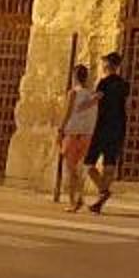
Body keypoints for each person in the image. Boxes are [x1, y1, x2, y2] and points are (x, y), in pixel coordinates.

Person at [86, 49, 130, 212]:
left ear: (109, 65)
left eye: (104, 62)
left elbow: (96, 98)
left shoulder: (103, 83)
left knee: (89, 164)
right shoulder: (124, 85)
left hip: (103, 126)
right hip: (118, 127)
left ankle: (103, 191)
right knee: (109, 164)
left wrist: (81, 105)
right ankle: (100, 200)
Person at [56, 65, 99, 210]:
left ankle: (73, 202)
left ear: (74, 77)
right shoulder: (93, 95)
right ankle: (79, 197)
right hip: (87, 136)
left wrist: (60, 130)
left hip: (73, 135)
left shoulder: (73, 93)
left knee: (71, 170)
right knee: (80, 170)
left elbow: (67, 113)